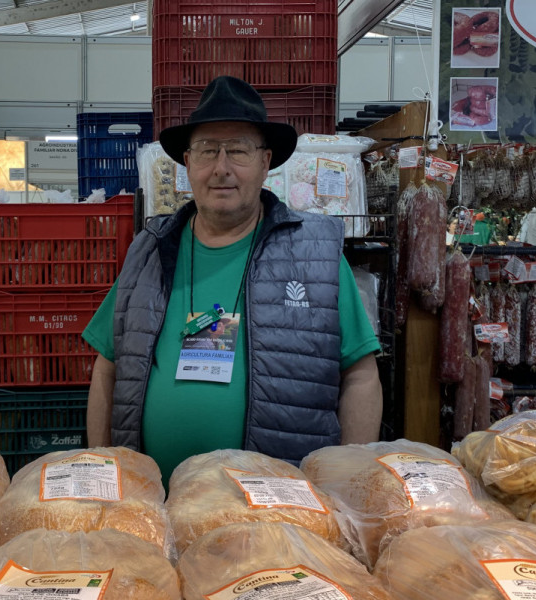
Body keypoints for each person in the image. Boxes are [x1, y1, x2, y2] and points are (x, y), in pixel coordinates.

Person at [82, 76, 383, 486]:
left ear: (266, 161)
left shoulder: (314, 253)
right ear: (187, 163)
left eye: (238, 150)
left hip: (278, 514)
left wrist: (345, 482)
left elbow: (361, 376)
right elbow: (106, 369)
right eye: (207, 151)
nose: (221, 168)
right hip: (154, 506)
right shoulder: (148, 250)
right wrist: (104, 472)